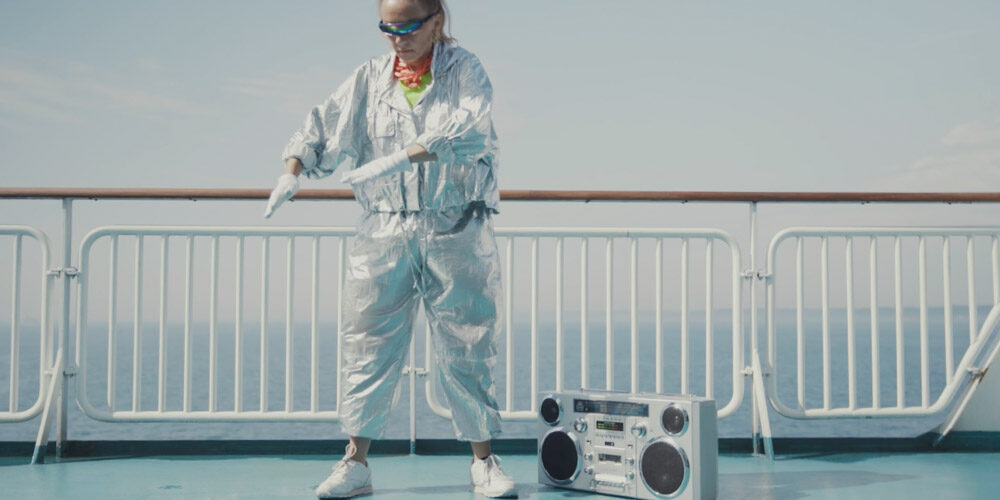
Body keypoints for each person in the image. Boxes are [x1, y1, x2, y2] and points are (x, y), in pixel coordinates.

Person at [264, 0, 515, 498]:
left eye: (406, 26)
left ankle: (484, 462)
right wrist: (291, 170)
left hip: (455, 223)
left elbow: (469, 126)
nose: (396, 36)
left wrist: (401, 157)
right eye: (387, 27)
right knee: (367, 343)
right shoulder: (369, 78)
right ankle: (355, 462)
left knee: (468, 343)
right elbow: (322, 125)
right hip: (383, 230)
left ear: (436, 21)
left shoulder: (465, 70)